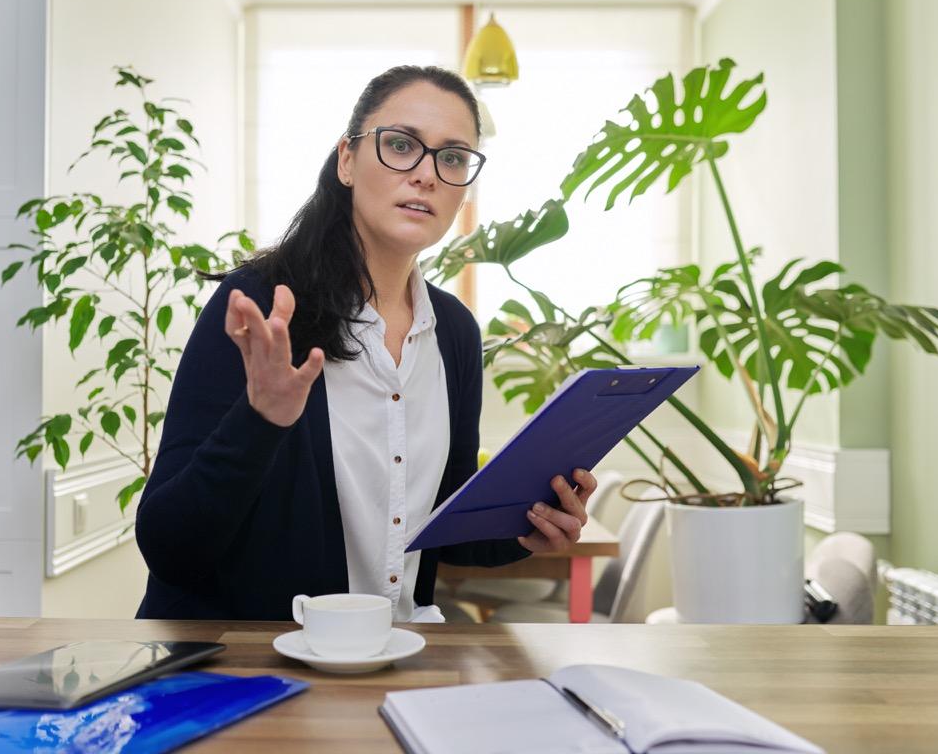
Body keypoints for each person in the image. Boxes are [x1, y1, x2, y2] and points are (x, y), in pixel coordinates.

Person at [135, 64, 597, 622]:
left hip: (395, 658)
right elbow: (169, 548)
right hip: (252, 669)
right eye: (401, 145)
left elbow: (437, 529)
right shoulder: (261, 305)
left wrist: (527, 529)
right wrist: (261, 419)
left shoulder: (452, 330)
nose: (427, 174)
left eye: (452, 157)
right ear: (347, 160)